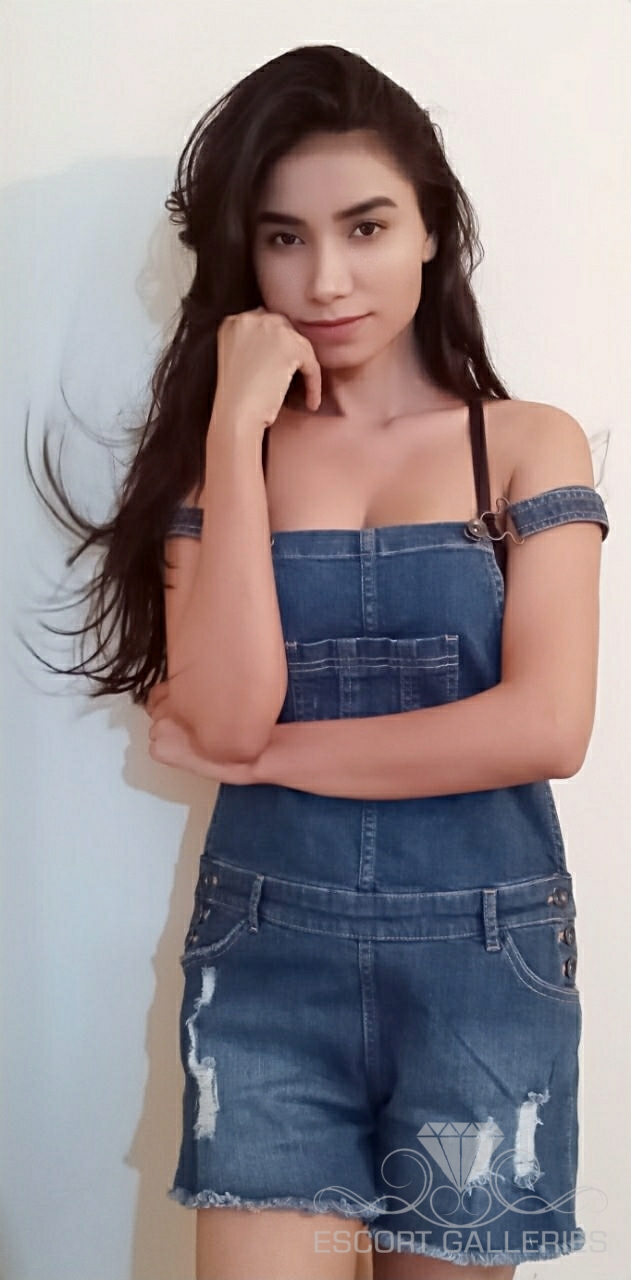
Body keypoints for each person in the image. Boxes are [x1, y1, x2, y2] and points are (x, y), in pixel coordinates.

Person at [28, 44, 610, 1280]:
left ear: (432, 230)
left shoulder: (526, 444)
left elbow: (545, 726)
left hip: (484, 967)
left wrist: (272, 755)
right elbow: (227, 714)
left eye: (366, 226)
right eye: (283, 237)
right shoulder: (217, 462)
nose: (326, 278)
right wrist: (235, 422)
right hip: (266, 964)